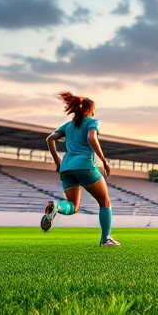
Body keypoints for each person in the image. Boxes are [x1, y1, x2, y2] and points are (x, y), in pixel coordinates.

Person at [41, 92, 119, 246]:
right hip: (85, 166)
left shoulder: (68, 126)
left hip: (67, 168)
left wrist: (58, 161)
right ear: (89, 110)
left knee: (73, 206)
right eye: (93, 110)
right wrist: (103, 160)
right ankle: (106, 239)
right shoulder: (92, 122)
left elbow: (50, 139)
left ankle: (56, 206)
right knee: (104, 202)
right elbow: (91, 138)